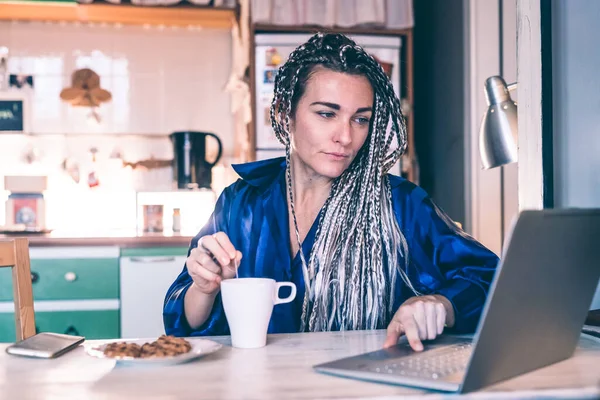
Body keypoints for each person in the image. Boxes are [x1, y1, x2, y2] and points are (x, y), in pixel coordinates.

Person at [164, 33, 499, 352]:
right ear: (284, 113)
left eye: (360, 120)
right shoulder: (240, 203)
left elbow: (490, 279)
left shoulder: (401, 205)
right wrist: (203, 288)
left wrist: (439, 303)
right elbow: (182, 325)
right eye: (327, 113)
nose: (345, 136)